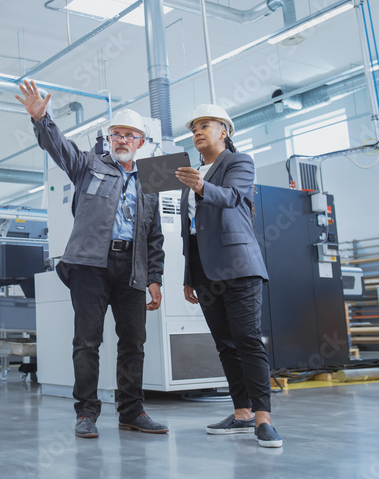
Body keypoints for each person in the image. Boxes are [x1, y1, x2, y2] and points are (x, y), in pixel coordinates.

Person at [16, 79, 167, 439]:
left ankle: (132, 411)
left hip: (132, 269)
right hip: (90, 267)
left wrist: (155, 277)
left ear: (141, 143)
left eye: (131, 135)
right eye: (117, 134)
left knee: (134, 343)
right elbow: (60, 148)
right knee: (87, 341)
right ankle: (86, 413)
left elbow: (154, 236)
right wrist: (42, 120)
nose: (123, 140)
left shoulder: (150, 183)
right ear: (109, 138)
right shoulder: (88, 165)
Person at [174, 103, 282, 448]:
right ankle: (242, 412)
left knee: (247, 338)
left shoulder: (239, 162)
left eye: (205, 125)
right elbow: (189, 231)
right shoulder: (189, 175)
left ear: (224, 131)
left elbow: (234, 197)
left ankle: (263, 417)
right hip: (205, 273)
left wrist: (201, 186)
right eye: (194, 128)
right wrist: (189, 275)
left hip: (238, 266)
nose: (197, 132)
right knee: (225, 344)